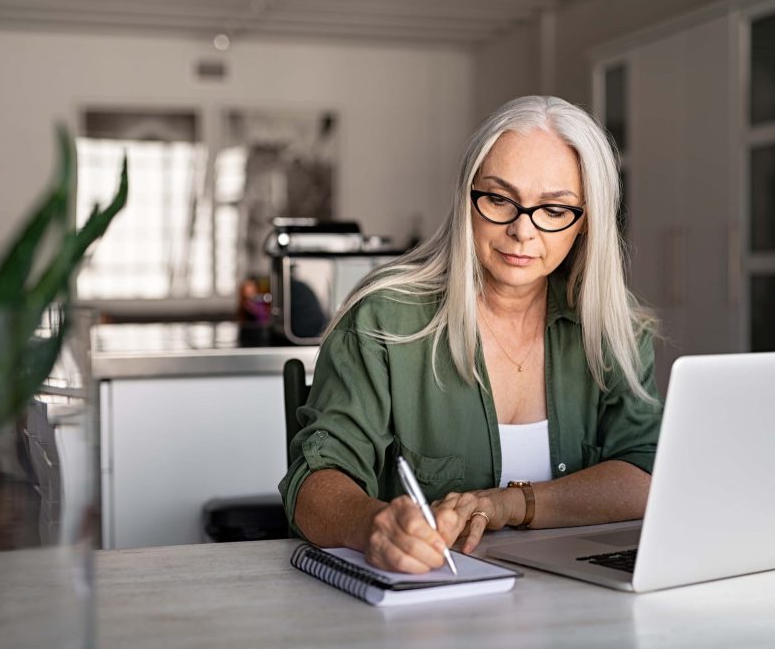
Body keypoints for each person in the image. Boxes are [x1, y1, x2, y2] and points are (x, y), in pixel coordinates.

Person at [279, 95, 662, 574]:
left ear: (586, 223)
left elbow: (645, 474)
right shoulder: (383, 318)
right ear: (467, 199)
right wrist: (371, 524)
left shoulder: (614, 328)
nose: (523, 231)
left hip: (581, 597)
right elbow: (315, 481)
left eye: (555, 209)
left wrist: (508, 504)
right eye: (500, 199)